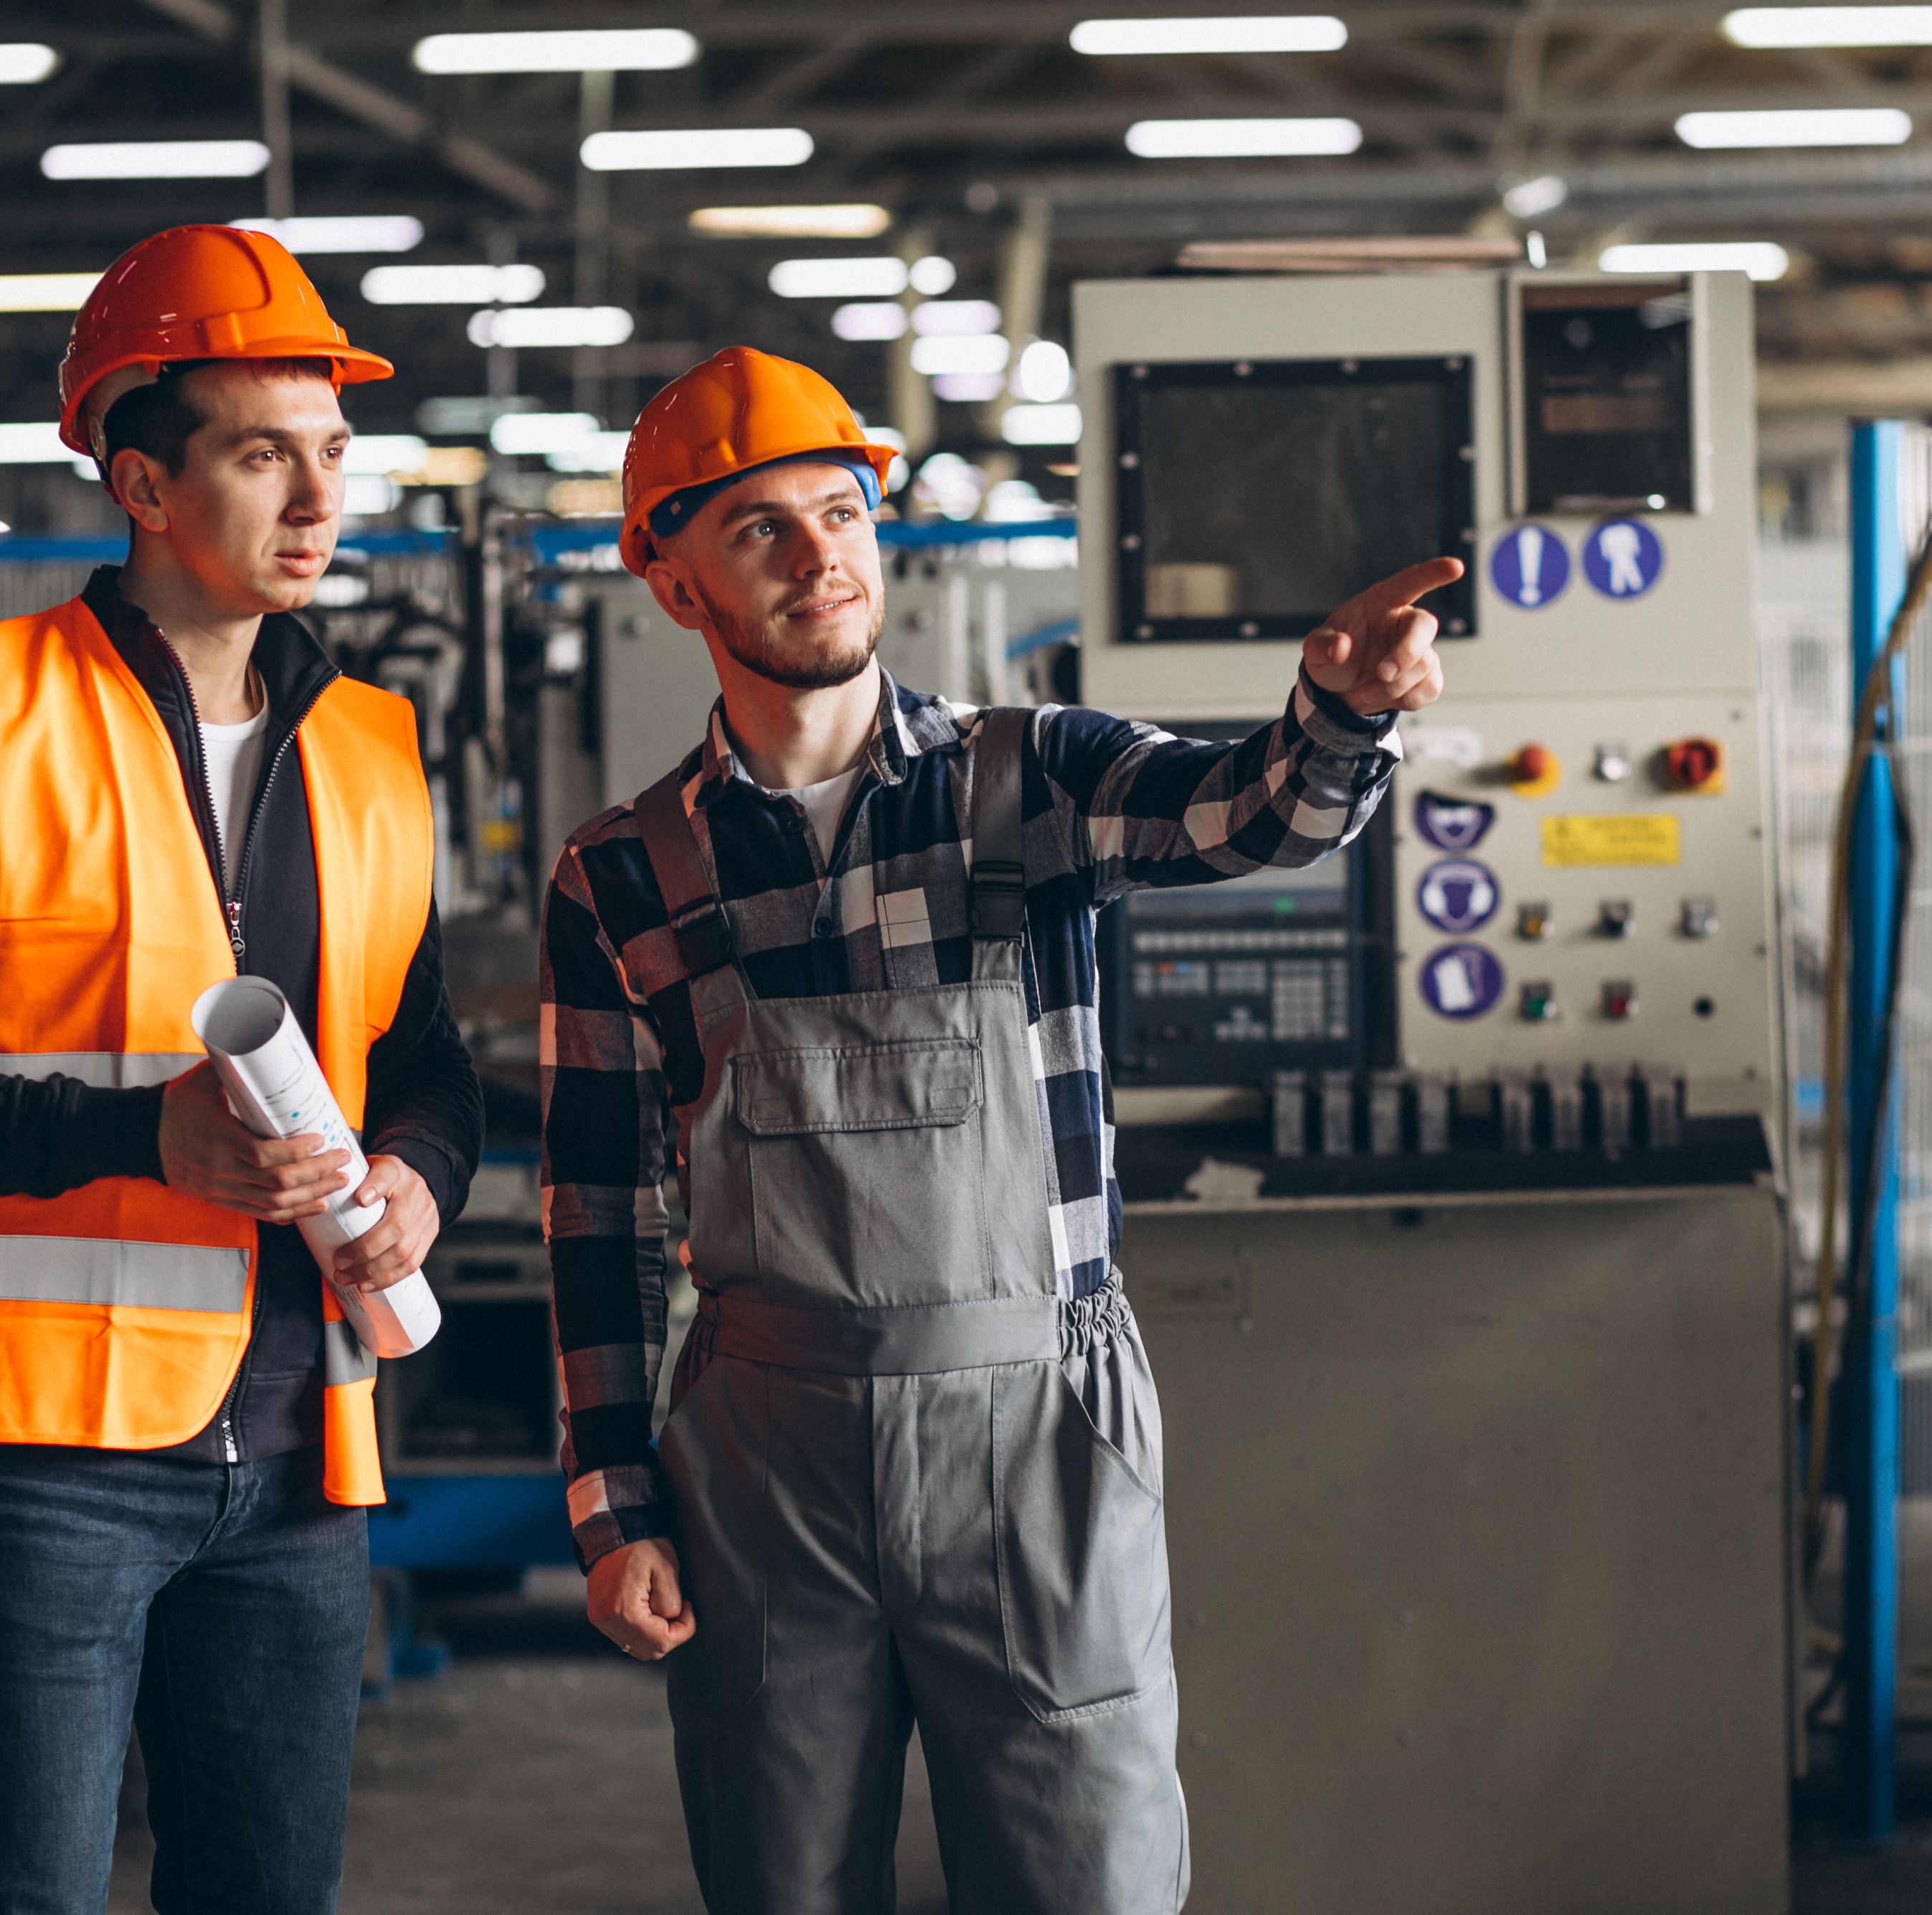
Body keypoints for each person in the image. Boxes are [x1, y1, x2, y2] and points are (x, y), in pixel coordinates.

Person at [537, 345, 1456, 1914]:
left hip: (1035, 1426)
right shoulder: (621, 873)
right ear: (672, 581)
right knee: (781, 1877)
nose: (821, 551)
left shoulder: (1028, 786)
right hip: (765, 1448)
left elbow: (1245, 811)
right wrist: (614, 1504)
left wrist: (1338, 718)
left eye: (841, 509)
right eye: (759, 526)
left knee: (1078, 1873)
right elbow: (593, 1216)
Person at [0, 225, 483, 1915]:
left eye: (329, 455)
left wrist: (418, 1183)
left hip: (307, 1446)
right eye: (260, 456)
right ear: (143, 483)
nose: (315, 500)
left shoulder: (371, 745)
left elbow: (426, 1057)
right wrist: (138, 1138)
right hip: (44, 1457)